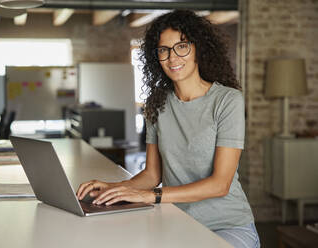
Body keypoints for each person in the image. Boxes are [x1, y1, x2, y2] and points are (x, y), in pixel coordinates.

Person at [77, 10, 260, 248]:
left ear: (198, 49)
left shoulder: (227, 100)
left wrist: (152, 196)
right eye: (164, 50)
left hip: (228, 225)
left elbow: (220, 184)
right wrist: (113, 188)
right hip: (178, 221)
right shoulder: (157, 103)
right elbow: (152, 175)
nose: (173, 58)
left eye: (181, 46)